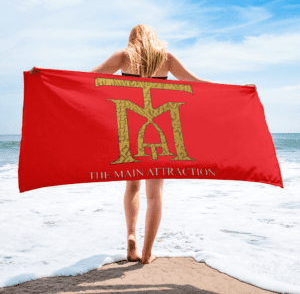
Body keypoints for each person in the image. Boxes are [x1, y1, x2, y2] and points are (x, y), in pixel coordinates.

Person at [30, 24, 256, 265]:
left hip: (129, 126)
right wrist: (237, 90)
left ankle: (131, 237)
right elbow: (197, 83)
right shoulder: (166, 59)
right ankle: (147, 253)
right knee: (155, 194)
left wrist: (45, 77)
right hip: (160, 129)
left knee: (132, 187)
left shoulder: (124, 56)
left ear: (132, 38)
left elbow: (87, 79)